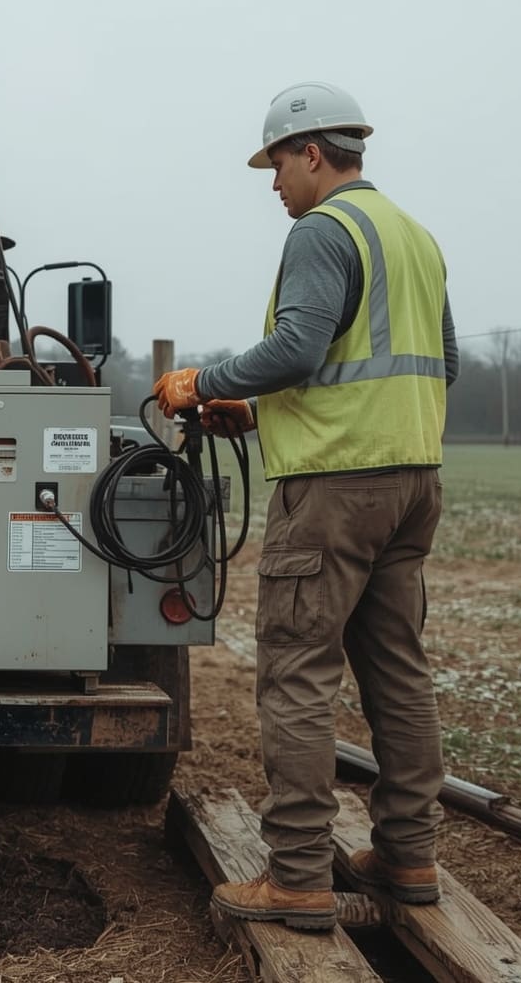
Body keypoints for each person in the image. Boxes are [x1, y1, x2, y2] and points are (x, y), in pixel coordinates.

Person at [153, 81, 460, 931]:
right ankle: (408, 856)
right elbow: (436, 364)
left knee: (295, 673)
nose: (274, 183)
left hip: (333, 491)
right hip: (412, 482)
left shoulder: (322, 231)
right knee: (398, 669)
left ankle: (295, 877)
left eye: (278, 163)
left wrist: (201, 385)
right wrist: (255, 413)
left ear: (314, 154)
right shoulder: (413, 236)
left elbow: (299, 345)